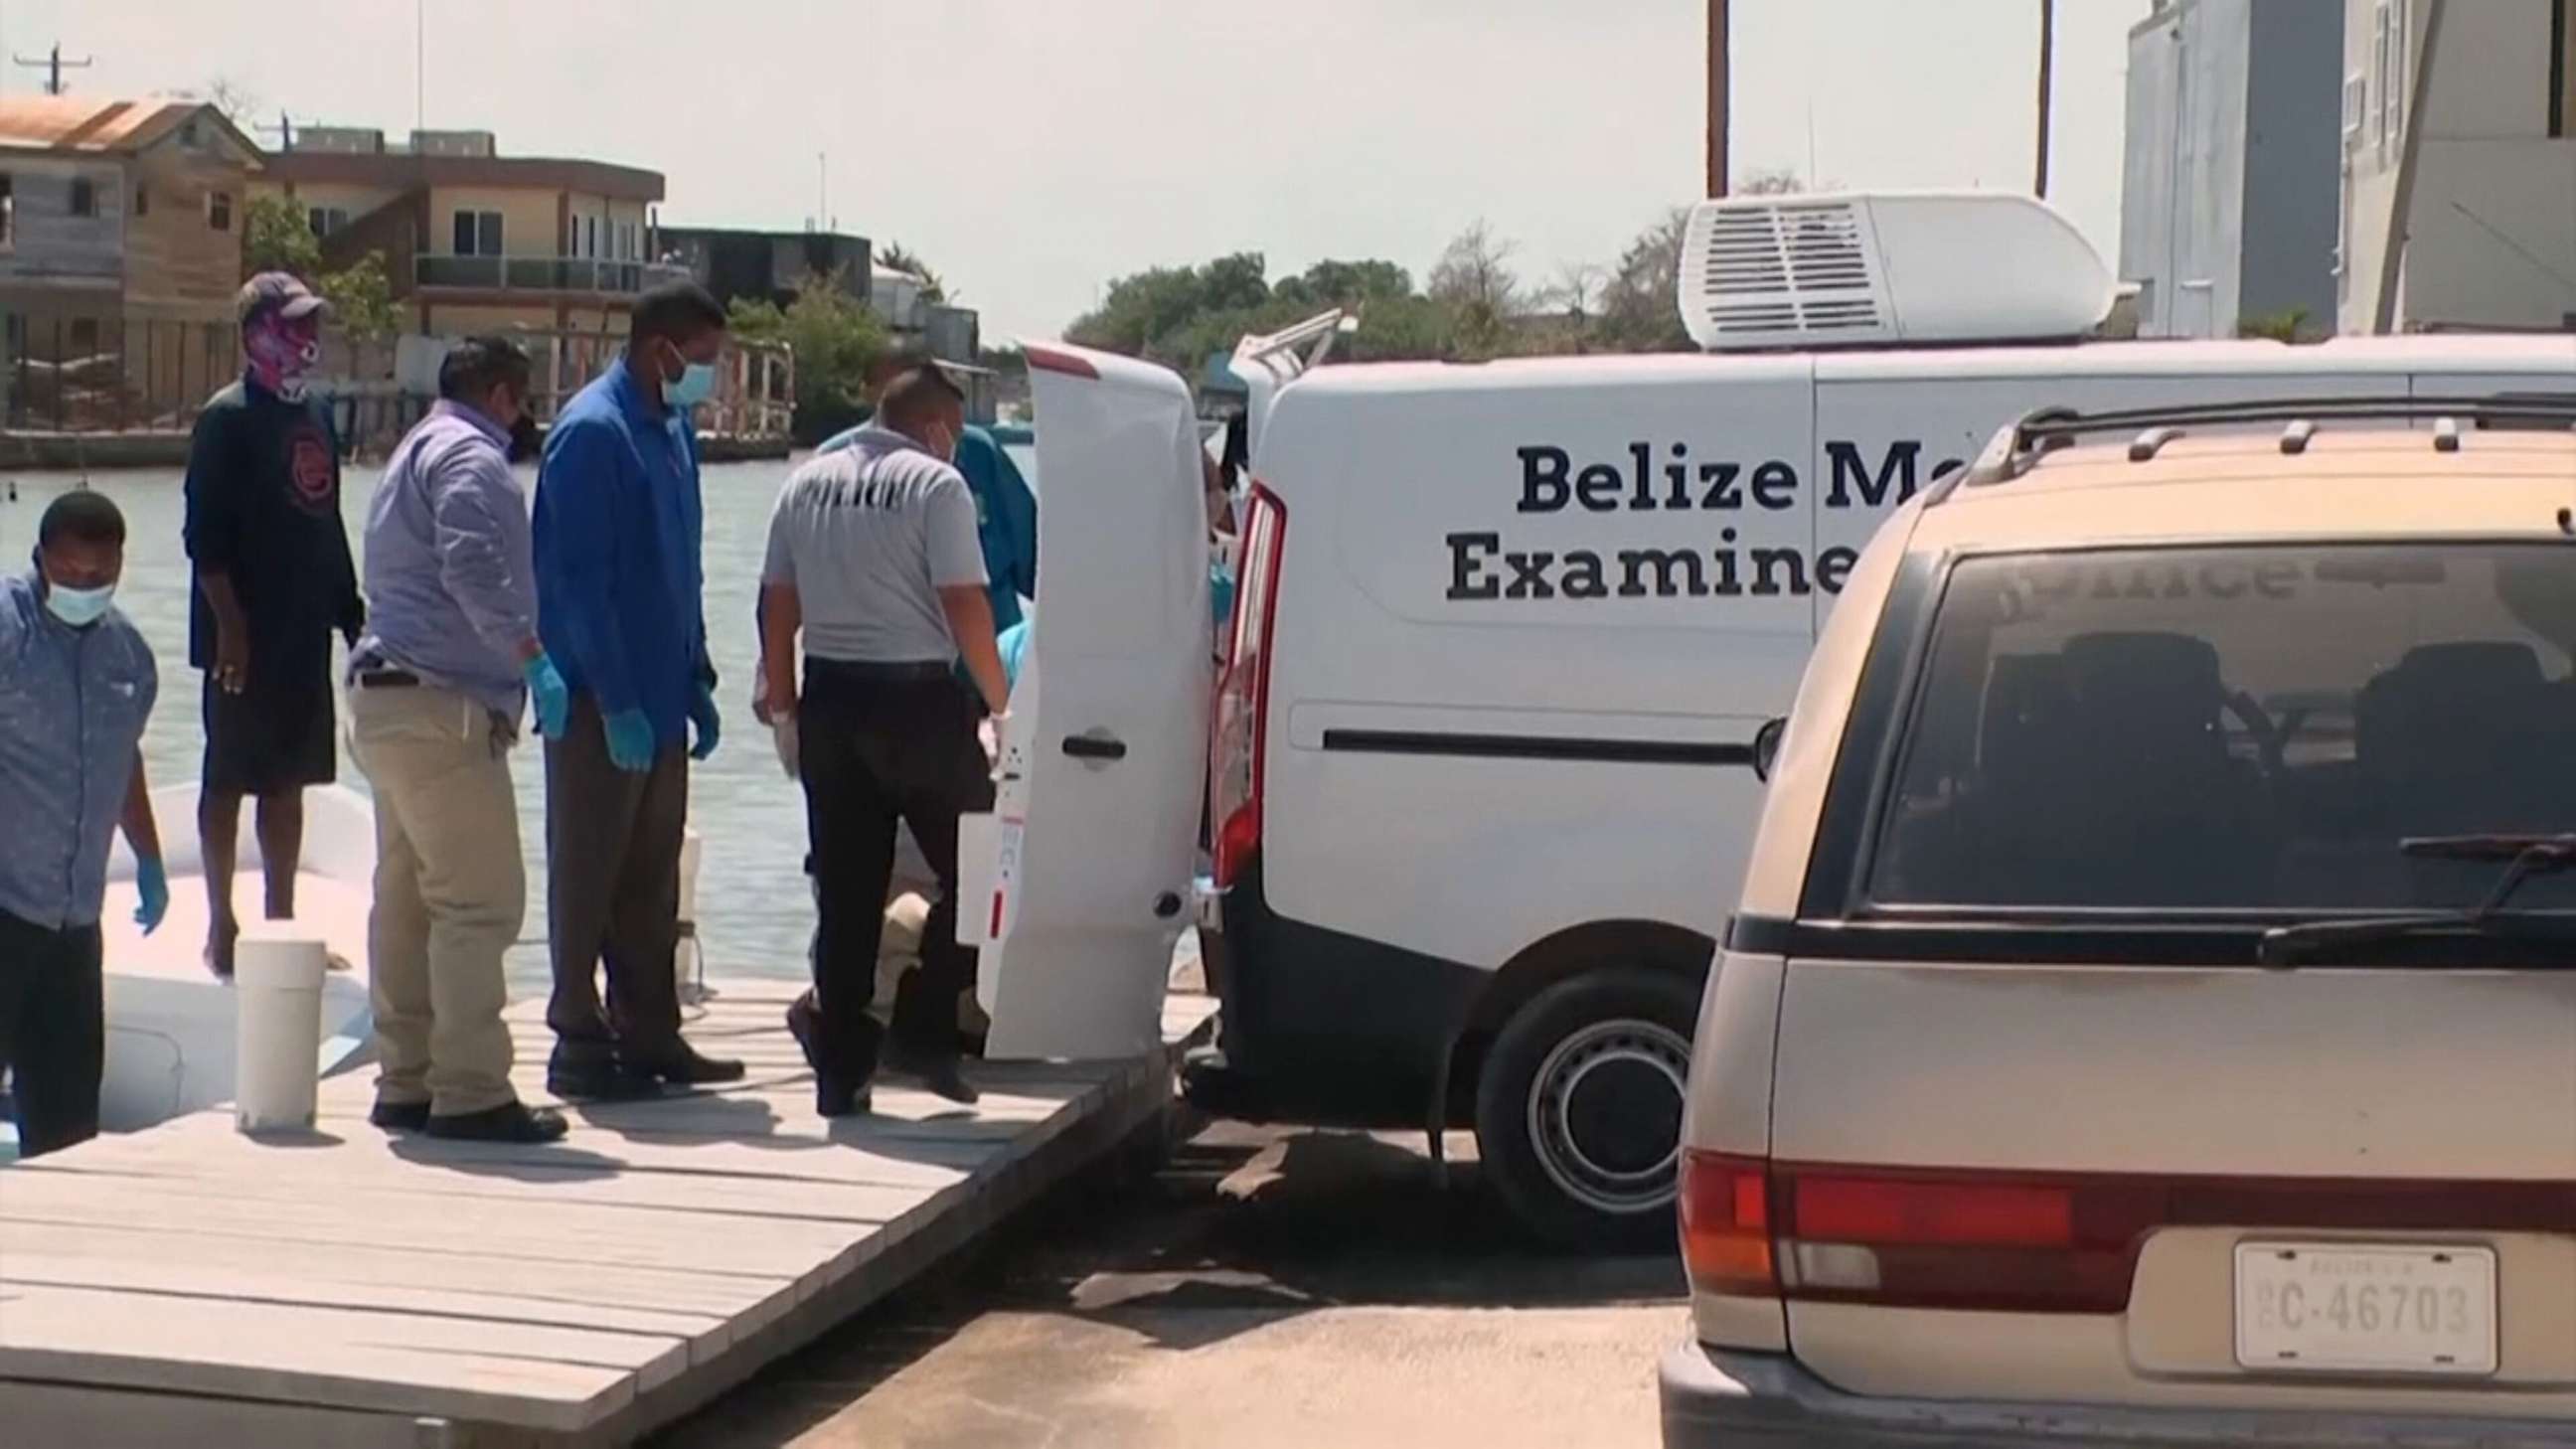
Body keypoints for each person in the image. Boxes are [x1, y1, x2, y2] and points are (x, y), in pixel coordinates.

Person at [761, 363, 1010, 1113]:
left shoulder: (806, 481)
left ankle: (841, 1072)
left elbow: (777, 604)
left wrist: (782, 706)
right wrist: (1003, 705)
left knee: (847, 894)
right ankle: (925, 1023)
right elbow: (964, 601)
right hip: (919, 704)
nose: (956, 449)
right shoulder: (937, 485)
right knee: (985, 866)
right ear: (936, 427)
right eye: (956, 436)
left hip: (832, 699)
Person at [347, 338, 571, 1144]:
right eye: (525, 397)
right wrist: (532, 657)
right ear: (504, 394)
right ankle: (473, 1089)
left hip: (383, 697)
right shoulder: (473, 461)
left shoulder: (411, 449)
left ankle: (406, 1078)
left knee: (405, 902)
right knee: (478, 905)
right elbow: (475, 567)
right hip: (445, 702)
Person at [533, 281, 743, 1100]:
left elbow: (680, 567)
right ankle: (577, 1039)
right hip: (601, 701)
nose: (709, 377)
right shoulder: (595, 433)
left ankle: (650, 1033)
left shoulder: (672, 428)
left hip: (662, 694)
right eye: (703, 360)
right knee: (589, 870)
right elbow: (577, 583)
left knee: (652, 876)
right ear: (663, 350)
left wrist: (697, 676)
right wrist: (614, 697)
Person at [183, 272, 363, 978]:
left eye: (312, 324)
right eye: (293, 325)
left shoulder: (317, 411)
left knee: (289, 780)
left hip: (302, 625)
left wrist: (351, 616)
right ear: (256, 332)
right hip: (240, 631)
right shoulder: (225, 418)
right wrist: (231, 626)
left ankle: (280, 925)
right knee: (229, 776)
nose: (307, 338)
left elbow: (327, 520)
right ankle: (221, 924)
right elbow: (204, 538)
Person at [0, 492, 167, 1158]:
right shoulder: (9, 632)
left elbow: (123, 761)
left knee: (70, 1131)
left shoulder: (129, 657)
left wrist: (150, 859)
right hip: (4, 905)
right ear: (42, 559)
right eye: (68, 572)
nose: (83, 586)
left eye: (99, 576)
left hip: (74, 922)